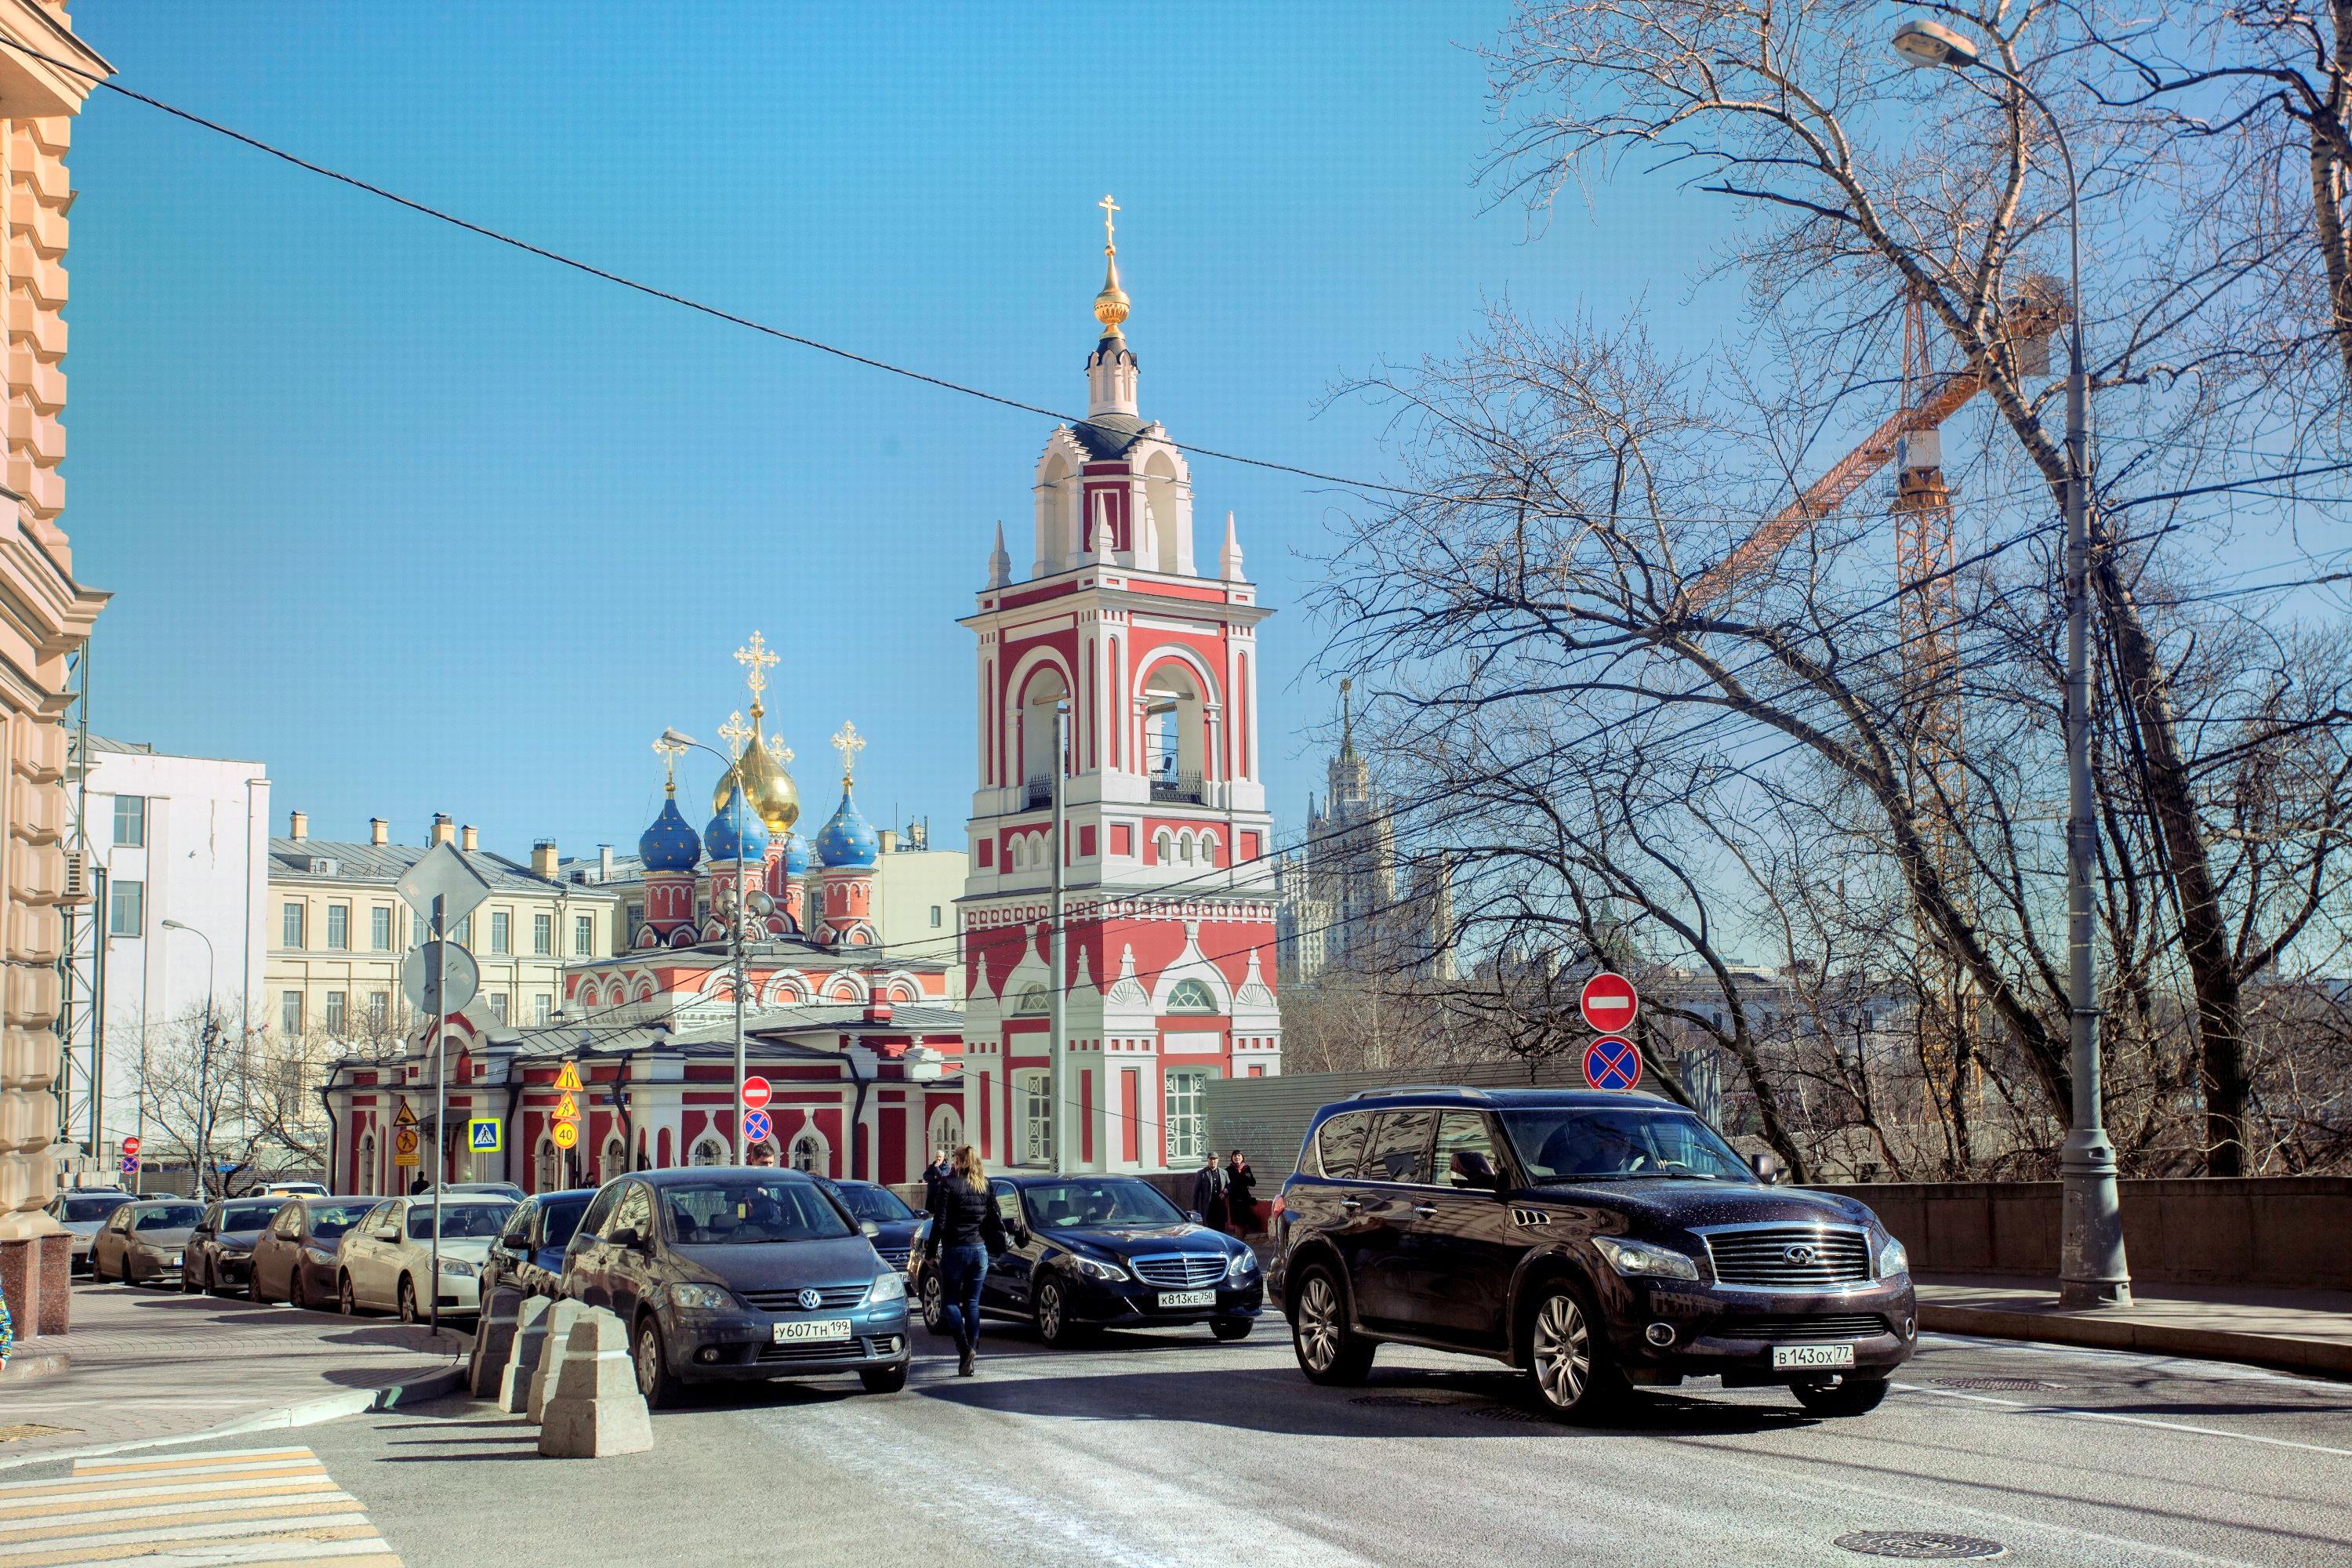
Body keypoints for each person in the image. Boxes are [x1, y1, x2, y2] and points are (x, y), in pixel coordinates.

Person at [923, 1145, 1007, 1377]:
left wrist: (930, 1253)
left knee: (949, 1303)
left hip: (955, 1250)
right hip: (979, 1251)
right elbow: (995, 1217)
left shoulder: (948, 1185)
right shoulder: (985, 1185)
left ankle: (964, 1346)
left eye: (955, 1161)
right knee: (972, 1303)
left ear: (958, 1162)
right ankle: (969, 1358)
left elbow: (939, 1223)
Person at [1190, 1152, 1228, 1232]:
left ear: (1218, 1160)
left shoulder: (1224, 1173)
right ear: (1207, 1160)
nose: (1213, 1161)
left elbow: (1229, 1186)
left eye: (1214, 1159)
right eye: (1211, 1159)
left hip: (1220, 1207)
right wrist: (1194, 1208)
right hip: (1207, 1207)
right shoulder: (1201, 1173)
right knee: (1209, 1230)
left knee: (1221, 1229)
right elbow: (1195, 1192)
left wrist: (1225, 1193)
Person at [1225, 1150, 1258, 1237]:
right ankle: (1240, 1241)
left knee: (1245, 1221)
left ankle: (1243, 1240)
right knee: (1238, 1222)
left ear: (1242, 1157)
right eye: (1235, 1156)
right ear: (1232, 1158)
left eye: (1239, 1155)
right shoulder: (1228, 1170)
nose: (1237, 1157)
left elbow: (1253, 1183)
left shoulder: (1246, 1168)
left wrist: (1249, 1177)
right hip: (1234, 1199)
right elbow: (1227, 1185)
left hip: (1245, 1198)